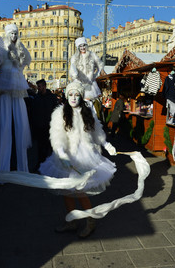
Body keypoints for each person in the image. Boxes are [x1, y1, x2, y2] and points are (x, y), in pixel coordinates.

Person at [38, 81, 117, 238]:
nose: (73, 98)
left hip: (85, 156)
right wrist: (61, 154)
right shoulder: (59, 113)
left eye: (77, 95)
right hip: (67, 156)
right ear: (66, 96)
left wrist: (106, 144)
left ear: (81, 96)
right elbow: (56, 136)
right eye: (71, 94)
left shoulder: (87, 112)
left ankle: (90, 221)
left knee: (81, 191)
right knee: (67, 190)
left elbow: (97, 131)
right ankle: (72, 221)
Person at [0, 23, 32, 172]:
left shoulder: (21, 48)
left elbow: (28, 59)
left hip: (18, 86)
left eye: (15, 33)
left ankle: (23, 168)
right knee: (5, 126)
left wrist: (20, 65)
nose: (14, 36)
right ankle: (3, 169)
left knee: (21, 125)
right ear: (7, 34)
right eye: (11, 33)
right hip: (6, 85)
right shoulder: (1, 47)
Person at [30, 79, 59, 170]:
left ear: (44, 86)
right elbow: (33, 112)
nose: (38, 88)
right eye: (38, 86)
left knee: (51, 147)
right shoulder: (36, 98)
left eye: (40, 86)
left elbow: (57, 111)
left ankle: (52, 166)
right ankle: (40, 165)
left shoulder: (52, 97)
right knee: (40, 148)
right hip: (40, 127)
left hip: (51, 127)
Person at [69, 37, 104, 102]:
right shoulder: (74, 57)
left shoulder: (92, 55)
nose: (82, 48)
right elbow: (72, 69)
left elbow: (100, 64)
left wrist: (96, 74)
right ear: (78, 47)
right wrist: (75, 75)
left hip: (90, 82)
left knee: (90, 101)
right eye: (80, 46)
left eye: (84, 45)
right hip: (79, 82)